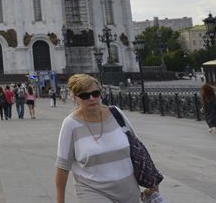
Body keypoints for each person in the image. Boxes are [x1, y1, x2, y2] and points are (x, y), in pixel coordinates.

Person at [55, 73, 155, 203]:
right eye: (85, 95)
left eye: (95, 93)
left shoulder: (116, 114)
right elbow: (62, 168)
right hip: (92, 190)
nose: (91, 98)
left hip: (128, 188)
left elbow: (139, 151)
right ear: (74, 97)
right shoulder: (70, 124)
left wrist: (153, 183)